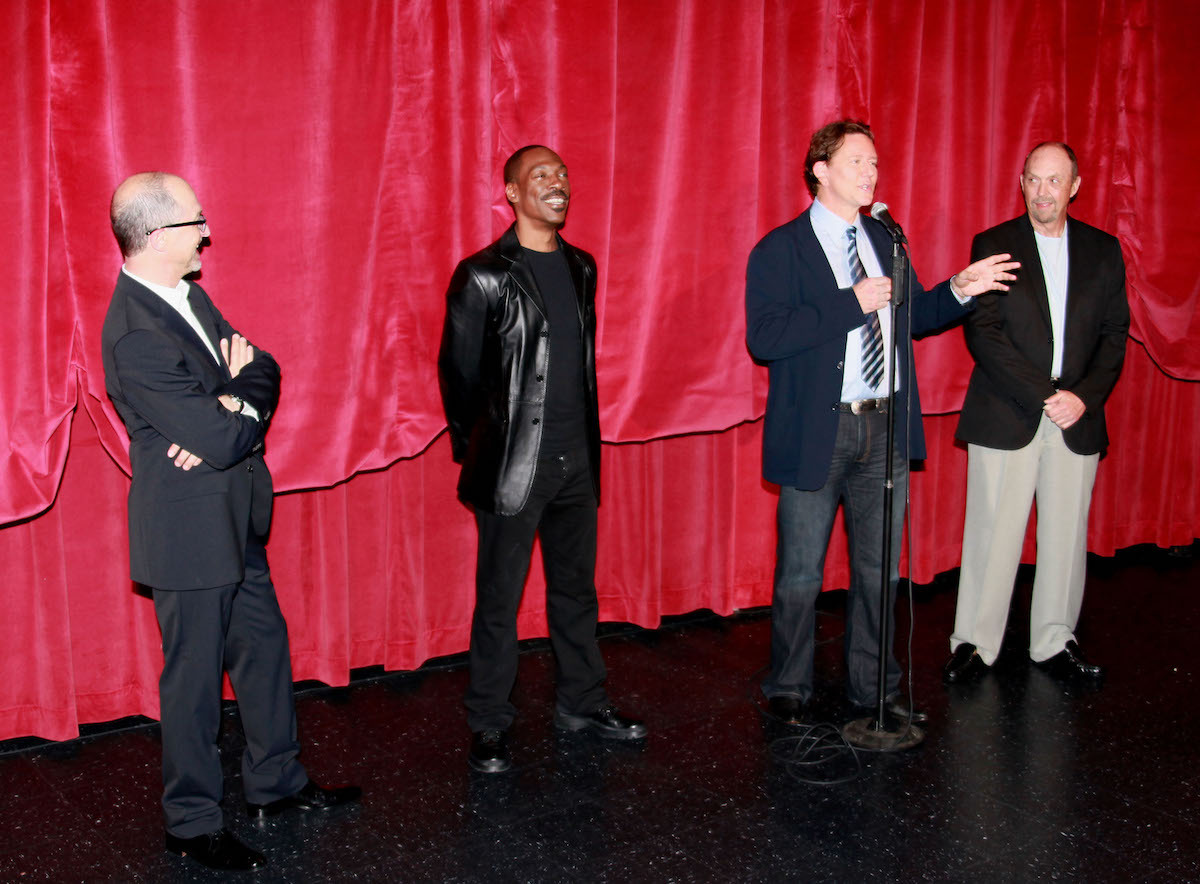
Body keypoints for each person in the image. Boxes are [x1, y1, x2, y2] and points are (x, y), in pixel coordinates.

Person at [101, 172, 360, 873]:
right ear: (158, 235)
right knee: (192, 684)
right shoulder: (134, 333)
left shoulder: (188, 296)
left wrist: (228, 404)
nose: (207, 232)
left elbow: (264, 366)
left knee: (265, 650)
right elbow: (219, 437)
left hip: (232, 516)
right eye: (196, 221)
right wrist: (230, 413)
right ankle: (190, 822)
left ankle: (276, 784)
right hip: (187, 532)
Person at [745, 120, 1019, 725]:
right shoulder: (780, 249)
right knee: (800, 572)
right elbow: (764, 339)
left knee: (878, 569)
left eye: (874, 163)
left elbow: (915, 317)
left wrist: (960, 288)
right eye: (857, 162)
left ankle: (875, 682)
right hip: (820, 431)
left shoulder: (884, 239)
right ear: (820, 170)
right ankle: (788, 684)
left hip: (886, 427)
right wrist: (851, 304)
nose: (871, 173)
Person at [439, 145, 646, 774]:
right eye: (539, 176)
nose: (556, 183)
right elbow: (458, 377)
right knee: (499, 602)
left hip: (577, 462)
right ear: (511, 192)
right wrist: (483, 454)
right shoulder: (483, 274)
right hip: (512, 470)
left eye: (561, 172)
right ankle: (489, 725)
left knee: (576, 594)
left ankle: (583, 702)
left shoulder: (582, 266)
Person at [944, 142, 1129, 685]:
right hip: (1009, 409)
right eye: (1034, 180)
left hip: (1077, 416)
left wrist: (1082, 397)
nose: (1042, 191)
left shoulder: (1104, 250)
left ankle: (1054, 640)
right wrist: (1044, 392)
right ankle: (975, 644)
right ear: (1020, 182)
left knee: (1067, 536)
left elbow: (1114, 336)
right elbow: (984, 332)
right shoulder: (993, 244)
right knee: (990, 534)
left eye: (1055, 181)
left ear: (1073, 187)